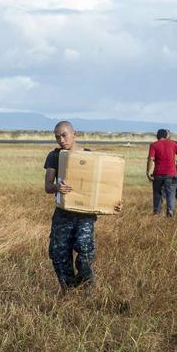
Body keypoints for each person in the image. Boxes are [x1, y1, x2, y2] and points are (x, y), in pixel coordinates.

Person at [44, 121, 122, 291]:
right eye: (57, 136)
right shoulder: (54, 156)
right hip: (63, 214)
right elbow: (48, 186)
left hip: (85, 215)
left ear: (74, 134)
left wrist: (113, 204)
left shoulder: (90, 157)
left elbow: (103, 187)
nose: (61, 140)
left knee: (85, 252)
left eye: (64, 135)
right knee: (59, 254)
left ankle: (86, 287)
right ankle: (69, 290)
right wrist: (57, 187)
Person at [147, 128, 177, 216]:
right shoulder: (173, 144)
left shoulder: (154, 145)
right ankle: (170, 211)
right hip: (171, 173)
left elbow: (150, 159)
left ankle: (156, 212)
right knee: (171, 193)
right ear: (167, 136)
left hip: (158, 173)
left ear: (157, 136)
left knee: (157, 193)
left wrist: (148, 172)